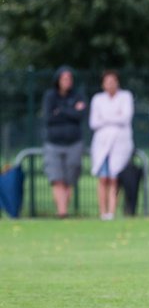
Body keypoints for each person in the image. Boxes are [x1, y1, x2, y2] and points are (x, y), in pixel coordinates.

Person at [88, 70, 134, 221]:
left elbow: (125, 118)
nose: (110, 84)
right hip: (102, 144)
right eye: (107, 81)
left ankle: (111, 212)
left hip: (119, 144)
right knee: (103, 178)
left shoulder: (126, 96)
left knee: (114, 179)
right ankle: (103, 212)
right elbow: (94, 122)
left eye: (113, 81)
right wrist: (115, 117)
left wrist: (105, 119)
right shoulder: (97, 99)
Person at [43, 66, 86, 219]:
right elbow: (49, 118)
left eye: (69, 79)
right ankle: (62, 212)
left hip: (74, 142)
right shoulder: (50, 96)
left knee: (69, 180)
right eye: (64, 78)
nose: (67, 81)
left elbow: (80, 116)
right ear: (58, 80)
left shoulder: (78, 95)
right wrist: (71, 111)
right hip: (54, 143)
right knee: (57, 179)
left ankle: (63, 210)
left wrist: (61, 111)